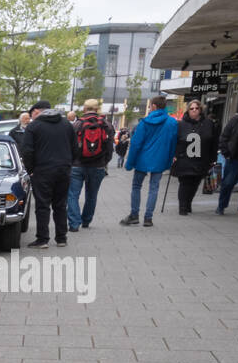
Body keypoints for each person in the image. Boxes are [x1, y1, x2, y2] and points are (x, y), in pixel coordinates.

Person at [21, 99, 79, 248]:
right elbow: (75, 148)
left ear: (36, 112)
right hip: (63, 170)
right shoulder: (67, 124)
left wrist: (31, 169)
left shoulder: (33, 126)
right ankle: (61, 238)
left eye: (32, 114)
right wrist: (68, 164)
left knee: (42, 205)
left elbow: (27, 151)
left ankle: (43, 239)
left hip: (42, 170)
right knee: (60, 204)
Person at [121, 94, 178, 226]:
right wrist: (169, 160)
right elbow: (173, 143)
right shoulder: (172, 122)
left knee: (137, 186)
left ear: (153, 106)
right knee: (154, 188)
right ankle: (148, 218)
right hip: (160, 159)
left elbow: (136, 144)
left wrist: (129, 163)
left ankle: (134, 214)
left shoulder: (145, 122)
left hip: (142, 159)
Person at [66, 98, 115, 231]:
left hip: (77, 165)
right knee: (92, 195)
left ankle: (74, 224)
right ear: (97, 109)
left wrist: (70, 162)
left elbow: (69, 146)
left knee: (73, 194)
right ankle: (86, 221)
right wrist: (104, 162)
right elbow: (110, 148)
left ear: (84, 109)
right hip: (97, 165)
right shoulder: (107, 125)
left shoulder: (76, 125)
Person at [170, 99, 217, 215]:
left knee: (195, 183)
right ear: (188, 110)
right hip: (184, 159)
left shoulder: (208, 123)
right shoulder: (181, 124)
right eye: (192, 108)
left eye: (197, 108)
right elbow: (174, 141)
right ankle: (182, 207)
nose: (194, 110)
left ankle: (188, 203)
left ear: (201, 110)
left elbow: (213, 142)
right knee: (185, 183)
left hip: (201, 159)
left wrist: (213, 158)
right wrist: (174, 155)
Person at [216, 108, 238, 214]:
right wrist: (226, 153)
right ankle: (221, 206)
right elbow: (224, 137)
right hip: (234, 159)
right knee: (228, 184)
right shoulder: (236, 120)